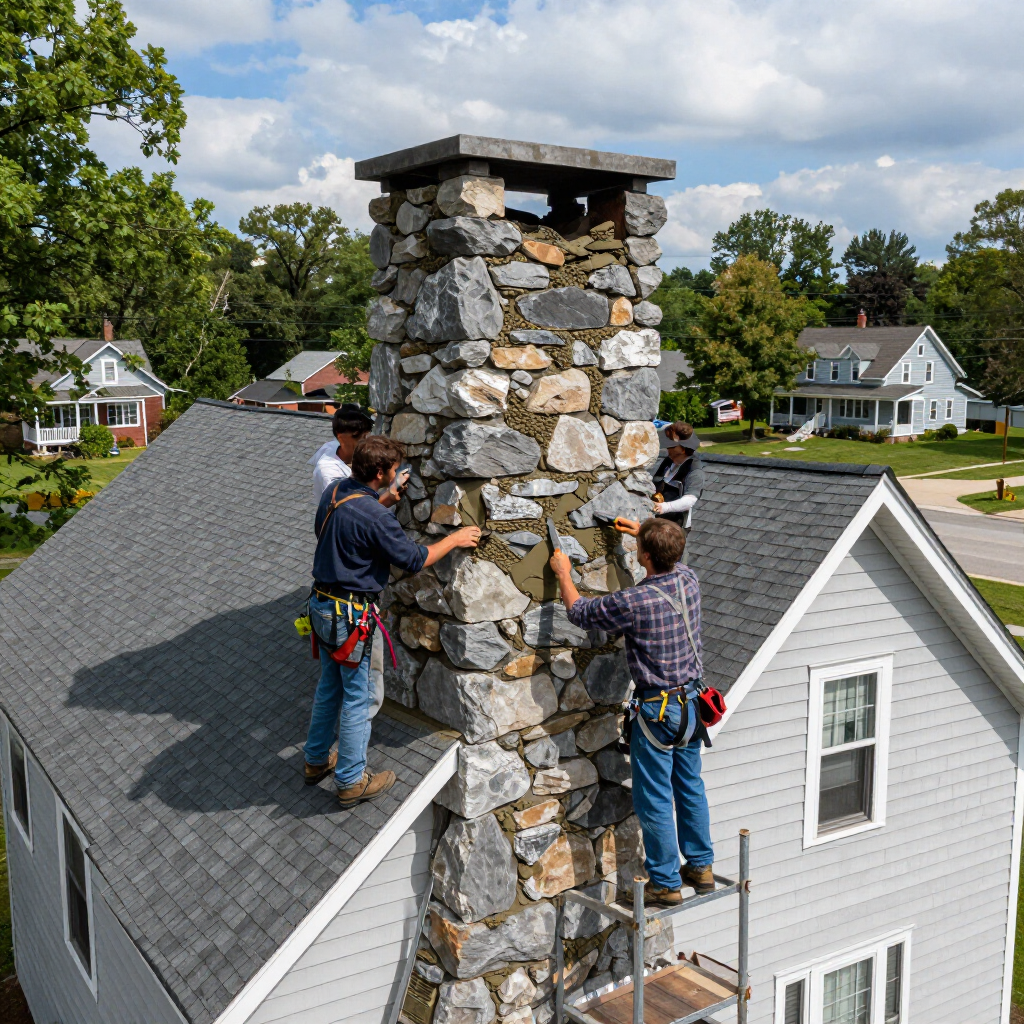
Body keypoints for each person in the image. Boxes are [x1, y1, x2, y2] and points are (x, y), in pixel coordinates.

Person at [304, 435, 481, 808]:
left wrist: (385, 497)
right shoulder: (376, 516)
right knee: (361, 696)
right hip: (351, 615)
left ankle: (316, 760)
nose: (397, 473)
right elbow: (414, 558)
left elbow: (351, 527)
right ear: (381, 472)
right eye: (393, 470)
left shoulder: (335, 492)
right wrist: (456, 539)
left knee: (330, 686)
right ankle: (351, 780)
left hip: (322, 606)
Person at [549, 517, 713, 906]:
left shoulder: (635, 601)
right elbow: (670, 553)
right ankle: (701, 866)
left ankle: (666, 883)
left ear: (644, 556)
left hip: (657, 711)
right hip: (692, 705)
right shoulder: (688, 579)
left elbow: (581, 612)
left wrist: (563, 573)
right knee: (690, 787)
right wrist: (643, 532)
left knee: (654, 796)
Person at [310, 403, 408, 506]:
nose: (364, 442)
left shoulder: (340, 449)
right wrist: (390, 496)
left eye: (365, 436)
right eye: (357, 438)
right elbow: (352, 512)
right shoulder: (329, 472)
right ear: (341, 437)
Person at [650, 421, 703, 529]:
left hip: (676, 527)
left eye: (672, 445)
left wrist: (665, 507)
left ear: (683, 448)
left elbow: (690, 500)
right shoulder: (668, 461)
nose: (668, 448)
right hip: (658, 521)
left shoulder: (695, 470)